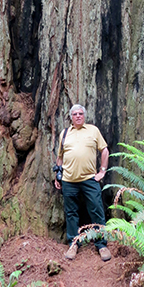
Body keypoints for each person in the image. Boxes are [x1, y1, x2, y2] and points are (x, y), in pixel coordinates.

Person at [54, 104, 111, 261]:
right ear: (71, 117)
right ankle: (73, 244)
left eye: (80, 113)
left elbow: (104, 150)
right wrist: (57, 175)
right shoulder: (64, 133)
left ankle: (102, 244)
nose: (78, 116)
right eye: (74, 114)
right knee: (71, 212)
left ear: (84, 116)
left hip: (89, 179)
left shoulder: (93, 130)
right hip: (68, 181)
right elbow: (60, 156)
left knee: (97, 210)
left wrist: (102, 171)